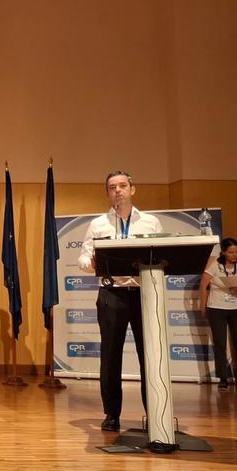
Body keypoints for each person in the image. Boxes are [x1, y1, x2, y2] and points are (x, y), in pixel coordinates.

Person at [77, 170, 162, 432]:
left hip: (143, 294)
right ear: (107, 193)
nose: (118, 191)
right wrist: (90, 264)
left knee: (149, 356)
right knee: (110, 356)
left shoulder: (151, 222)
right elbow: (83, 259)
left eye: (122, 186)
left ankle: (155, 412)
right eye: (112, 187)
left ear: (132, 190)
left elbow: (162, 253)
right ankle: (111, 414)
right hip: (111, 294)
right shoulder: (98, 224)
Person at [199, 237, 237, 391]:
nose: (234, 255)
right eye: (231, 252)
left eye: (236, 252)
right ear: (223, 252)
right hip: (217, 308)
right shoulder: (215, 265)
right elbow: (203, 285)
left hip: (235, 308)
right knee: (220, 343)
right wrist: (203, 306)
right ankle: (223, 378)